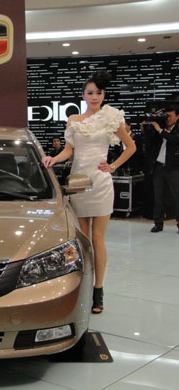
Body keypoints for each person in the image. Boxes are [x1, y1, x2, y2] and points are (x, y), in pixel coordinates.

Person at [43, 71, 136, 314]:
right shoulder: (74, 119)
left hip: (101, 182)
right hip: (78, 183)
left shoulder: (111, 117)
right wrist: (53, 158)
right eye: (90, 92)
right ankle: (83, 286)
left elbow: (131, 146)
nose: (95, 97)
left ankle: (98, 289)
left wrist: (113, 166)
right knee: (83, 240)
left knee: (97, 239)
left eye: (99, 93)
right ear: (83, 95)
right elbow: (68, 151)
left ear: (104, 95)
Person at [143, 103, 179, 233]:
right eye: (165, 116)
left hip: (174, 167)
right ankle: (158, 223)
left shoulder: (175, 129)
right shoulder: (160, 127)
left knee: (176, 197)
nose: (167, 119)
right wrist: (148, 128)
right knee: (158, 196)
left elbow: (175, 140)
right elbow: (149, 142)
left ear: (177, 116)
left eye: (170, 116)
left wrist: (160, 130)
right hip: (159, 166)